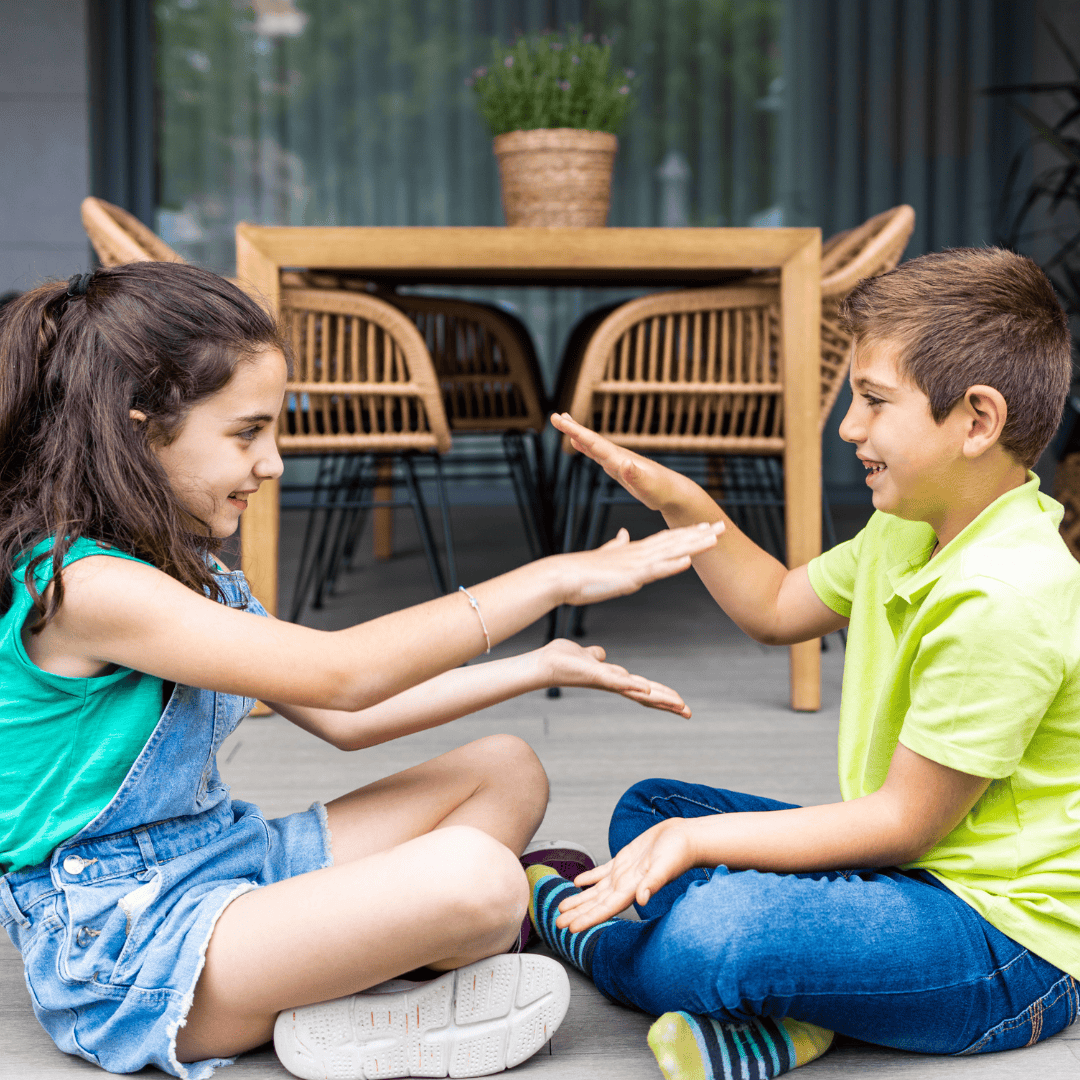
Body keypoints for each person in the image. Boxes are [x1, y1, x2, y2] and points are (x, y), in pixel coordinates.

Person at [0, 262, 725, 1080]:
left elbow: (351, 721)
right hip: (131, 950)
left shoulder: (177, 569)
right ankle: (406, 974)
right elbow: (343, 676)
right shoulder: (88, 587)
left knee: (506, 771)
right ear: (139, 432)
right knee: (482, 880)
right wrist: (554, 576)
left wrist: (539, 664)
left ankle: (361, 982)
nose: (273, 463)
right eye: (247, 433)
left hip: (227, 862)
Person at [524, 247, 1080, 1080]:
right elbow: (777, 606)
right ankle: (794, 1015)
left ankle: (592, 932)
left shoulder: (1004, 598)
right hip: (910, 876)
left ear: (976, 420)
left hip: (1005, 949)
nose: (849, 427)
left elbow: (903, 824)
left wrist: (697, 844)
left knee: (723, 929)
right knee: (657, 807)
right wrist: (682, 500)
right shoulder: (910, 526)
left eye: (873, 402)